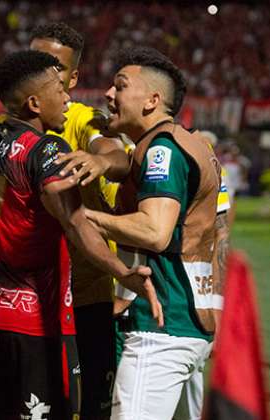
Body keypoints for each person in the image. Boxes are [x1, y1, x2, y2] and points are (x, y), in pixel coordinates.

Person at [0, 50, 161, 420]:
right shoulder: (47, 149)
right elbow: (76, 224)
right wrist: (122, 272)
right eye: (58, 90)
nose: (67, 97)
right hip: (32, 322)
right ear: (34, 102)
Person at [83, 47, 223, 420]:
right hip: (187, 321)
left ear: (152, 100)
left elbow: (155, 230)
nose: (109, 95)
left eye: (120, 86)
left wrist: (85, 218)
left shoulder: (163, 150)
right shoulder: (187, 143)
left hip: (162, 325)